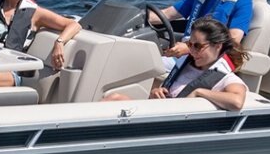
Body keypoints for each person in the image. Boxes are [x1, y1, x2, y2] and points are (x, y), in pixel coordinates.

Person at [106, 17, 250, 111]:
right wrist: (155, 92)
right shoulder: (185, 66)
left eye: (198, 46)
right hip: (157, 112)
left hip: (169, 125)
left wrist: (199, 92)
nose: (192, 51)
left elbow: (237, 102)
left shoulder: (227, 79)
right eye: (190, 45)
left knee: (113, 101)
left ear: (217, 46)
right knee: (113, 98)